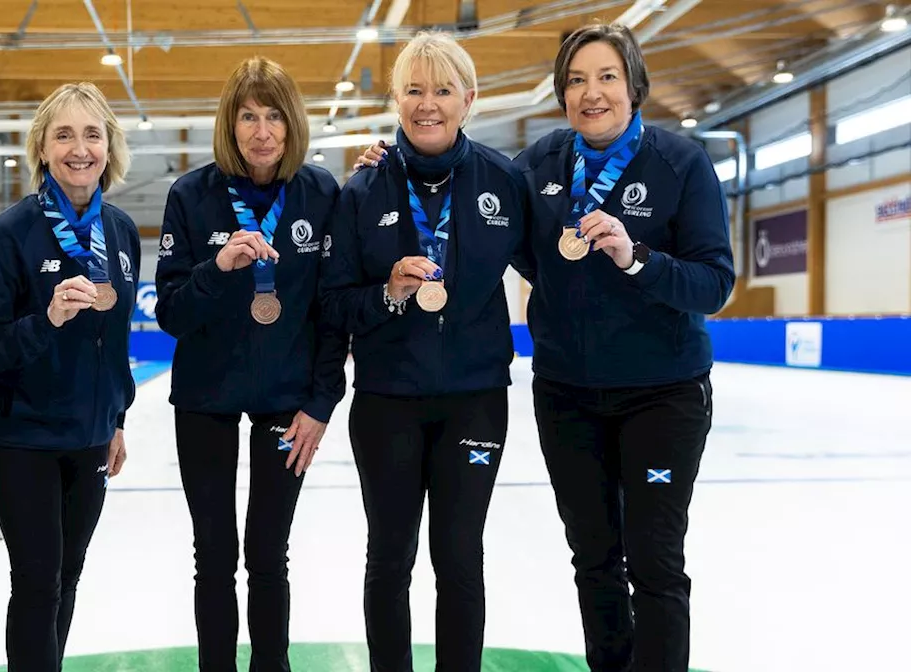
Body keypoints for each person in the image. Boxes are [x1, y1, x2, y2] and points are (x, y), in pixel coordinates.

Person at [357, 23, 736, 672]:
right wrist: (390, 165)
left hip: (662, 395)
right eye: (576, 80)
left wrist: (637, 257)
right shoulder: (538, 166)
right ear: (561, 94)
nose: (592, 93)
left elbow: (715, 283)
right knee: (593, 556)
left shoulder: (681, 163)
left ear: (634, 86)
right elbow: (504, 231)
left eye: (607, 77)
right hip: (568, 397)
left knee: (654, 559)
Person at [317, 32, 528, 672]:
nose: (427, 104)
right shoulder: (362, 190)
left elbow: (558, 273)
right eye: (413, 90)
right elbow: (332, 306)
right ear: (396, 100)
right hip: (387, 401)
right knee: (390, 554)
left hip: (476, 399)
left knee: (461, 555)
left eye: (442, 91)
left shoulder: (505, 181)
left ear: (469, 99)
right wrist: (387, 294)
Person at [154, 56, 347, 671]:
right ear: (228, 125)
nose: (261, 131)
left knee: (268, 551)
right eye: (247, 117)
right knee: (213, 552)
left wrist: (320, 402)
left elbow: (331, 312)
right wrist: (218, 270)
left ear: (291, 126)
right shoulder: (190, 196)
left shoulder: (320, 194)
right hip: (206, 400)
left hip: (287, 400)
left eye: (273, 117)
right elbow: (171, 314)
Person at [0, 81, 138, 671]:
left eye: (92, 134)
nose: (79, 148)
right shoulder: (8, 234)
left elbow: (113, 344)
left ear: (109, 148)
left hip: (88, 434)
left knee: (68, 574)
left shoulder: (120, 232)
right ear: (42, 147)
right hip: (20, 436)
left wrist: (115, 418)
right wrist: (48, 318)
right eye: (64, 134)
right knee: (38, 580)